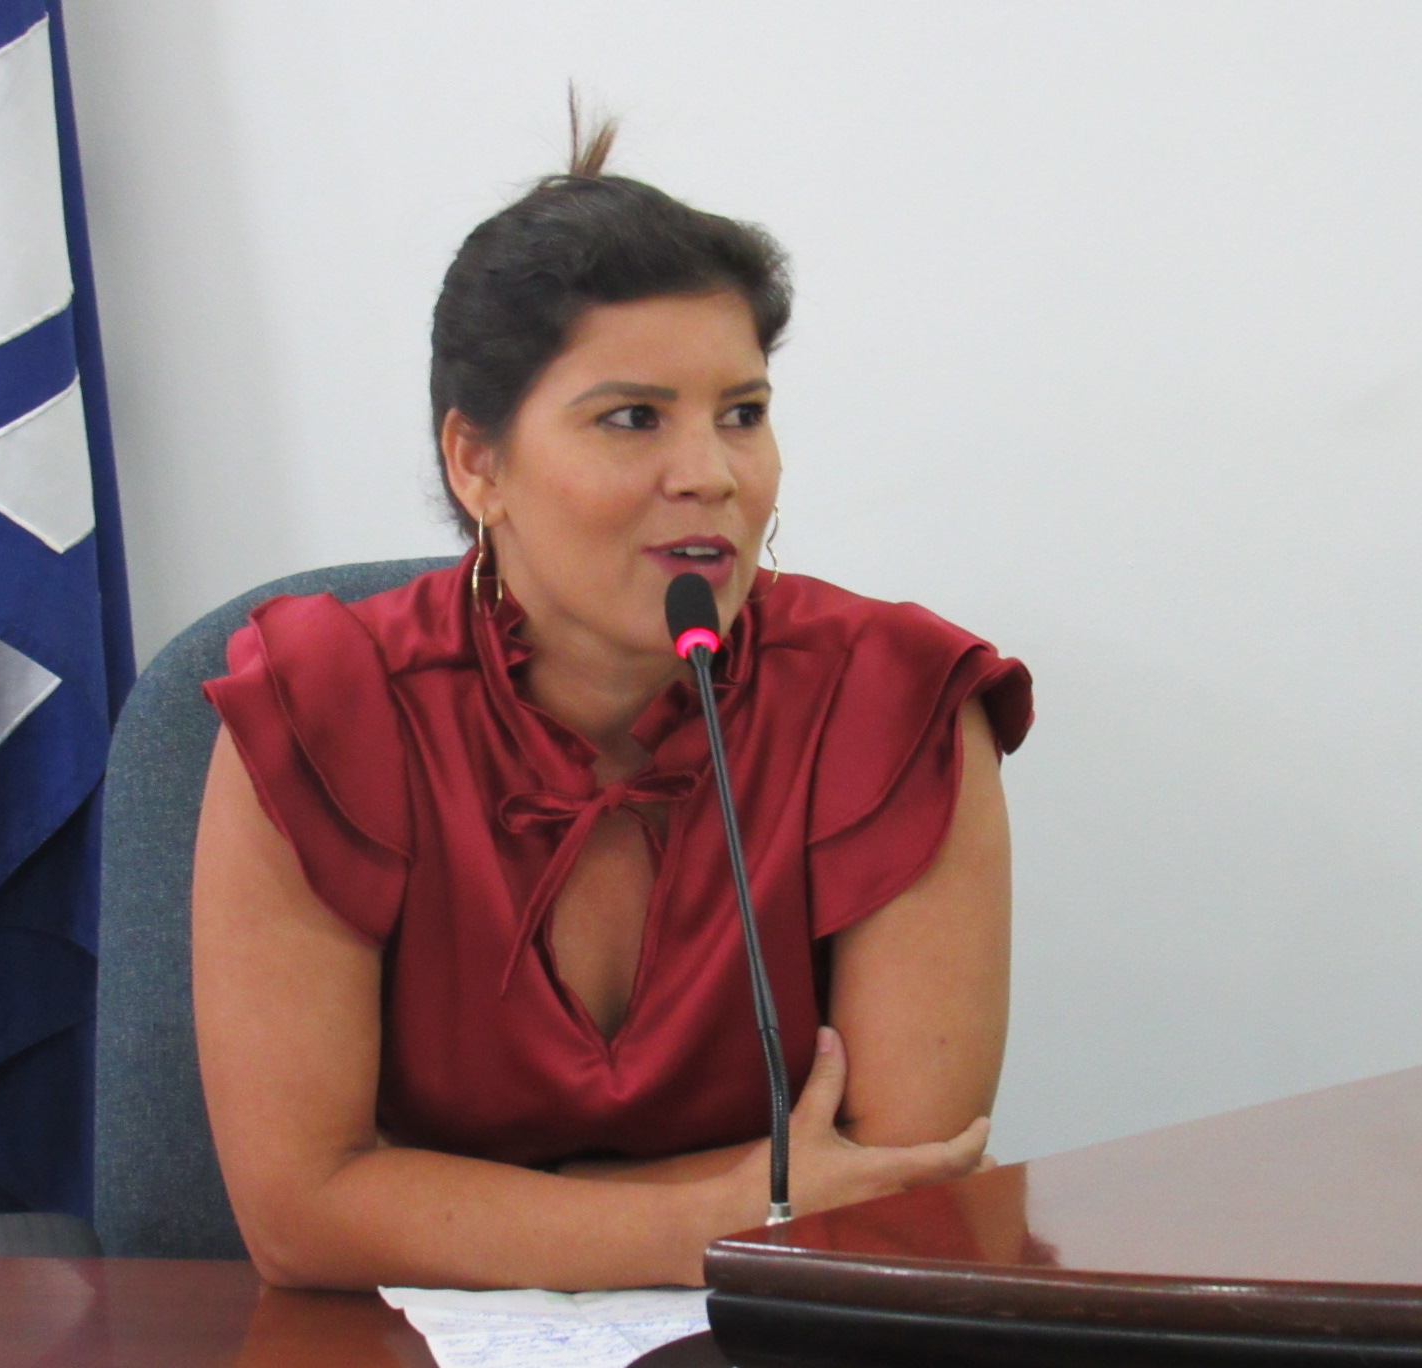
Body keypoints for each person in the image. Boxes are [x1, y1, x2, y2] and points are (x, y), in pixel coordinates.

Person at [191, 116, 1032, 1292]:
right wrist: (709, 1219)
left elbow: (894, 1185)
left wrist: (450, 1200)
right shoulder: (320, 711)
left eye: (741, 413)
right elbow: (298, 1216)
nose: (711, 474)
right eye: (632, 418)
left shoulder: (892, 702)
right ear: (476, 464)